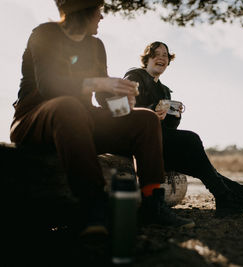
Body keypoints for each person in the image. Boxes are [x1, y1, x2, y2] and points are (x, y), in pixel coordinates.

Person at [10, 0, 195, 242]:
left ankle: (152, 203)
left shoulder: (96, 45)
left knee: (145, 119)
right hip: (35, 117)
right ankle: (93, 206)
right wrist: (97, 82)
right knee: (69, 106)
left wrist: (122, 104)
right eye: (98, 10)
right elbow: (49, 86)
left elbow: (102, 94)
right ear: (82, 9)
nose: (102, 17)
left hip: (84, 117)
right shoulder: (45, 34)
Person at [98, 41, 243, 218]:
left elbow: (169, 128)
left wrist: (174, 116)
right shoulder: (135, 75)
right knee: (191, 140)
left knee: (203, 168)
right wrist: (151, 110)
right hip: (135, 138)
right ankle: (234, 198)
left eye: (165, 55)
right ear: (146, 59)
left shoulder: (164, 90)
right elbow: (123, 108)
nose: (161, 57)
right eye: (156, 54)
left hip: (158, 140)